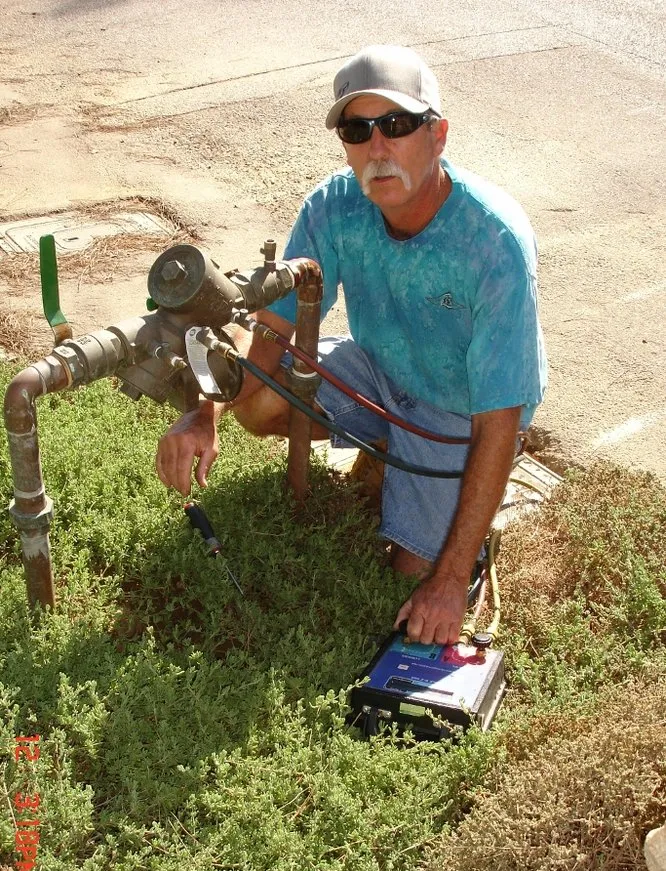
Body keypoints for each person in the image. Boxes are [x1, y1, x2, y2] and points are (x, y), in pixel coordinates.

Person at [156, 44, 547, 647]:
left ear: (437, 135)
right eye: (357, 129)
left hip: (461, 410)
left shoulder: (492, 242)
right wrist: (203, 409)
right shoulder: (335, 205)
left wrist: (448, 580)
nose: (377, 148)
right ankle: (387, 447)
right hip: (377, 369)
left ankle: (440, 492)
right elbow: (269, 324)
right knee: (255, 406)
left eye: (396, 125)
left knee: (413, 578)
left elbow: (500, 417)